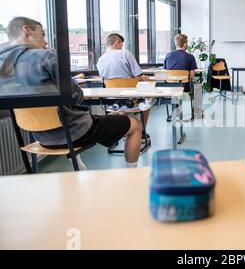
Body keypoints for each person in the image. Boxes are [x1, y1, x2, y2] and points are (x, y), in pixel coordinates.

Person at [0, 17, 142, 169]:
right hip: (75, 132)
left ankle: (80, 165)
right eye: (42, 34)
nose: (44, 40)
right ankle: (131, 172)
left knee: (85, 118)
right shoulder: (46, 56)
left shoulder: (3, 62)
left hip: (39, 136)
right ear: (26, 30)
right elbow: (75, 96)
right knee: (135, 125)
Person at [96, 33, 151, 140]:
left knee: (122, 105)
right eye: (121, 44)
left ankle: (127, 130)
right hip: (131, 98)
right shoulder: (125, 53)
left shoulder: (100, 60)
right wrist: (145, 78)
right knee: (147, 102)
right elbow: (138, 76)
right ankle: (142, 132)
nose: (122, 47)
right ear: (117, 43)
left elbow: (104, 80)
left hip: (112, 100)